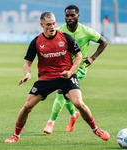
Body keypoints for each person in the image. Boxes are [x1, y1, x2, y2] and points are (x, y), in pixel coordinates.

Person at [4, 11, 109, 143]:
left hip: (66, 76)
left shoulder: (65, 37)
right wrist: (28, 74)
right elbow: (28, 63)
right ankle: (16, 135)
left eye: (53, 23)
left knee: (78, 103)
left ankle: (96, 129)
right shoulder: (36, 41)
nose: (52, 27)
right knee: (27, 107)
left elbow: (79, 56)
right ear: (42, 25)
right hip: (46, 78)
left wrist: (71, 72)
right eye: (48, 24)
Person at [43, 5, 108, 135]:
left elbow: (103, 42)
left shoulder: (86, 31)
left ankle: (51, 122)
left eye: (73, 15)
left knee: (61, 91)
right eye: (67, 15)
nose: (70, 18)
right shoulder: (60, 31)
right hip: (63, 67)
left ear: (78, 15)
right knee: (67, 95)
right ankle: (73, 115)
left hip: (79, 68)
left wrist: (93, 58)